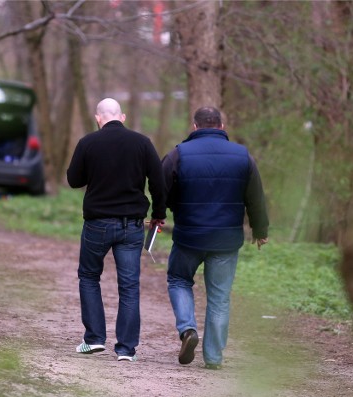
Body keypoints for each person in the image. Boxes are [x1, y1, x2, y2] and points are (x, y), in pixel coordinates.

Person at [162, 106, 269, 370]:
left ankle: (188, 330)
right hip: (226, 239)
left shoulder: (178, 154)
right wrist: (260, 230)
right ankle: (213, 358)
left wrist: (163, 212)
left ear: (194, 127)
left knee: (178, 279)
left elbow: (161, 187)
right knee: (219, 297)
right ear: (222, 126)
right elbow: (255, 196)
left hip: (189, 235)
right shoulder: (243, 156)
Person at [67, 98, 167, 362]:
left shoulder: (88, 143)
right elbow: (158, 182)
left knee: (89, 277)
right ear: (121, 116)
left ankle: (94, 339)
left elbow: (73, 179)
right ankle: (126, 349)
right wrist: (158, 214)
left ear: (98, 118)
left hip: (97, 224)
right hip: (131, 226)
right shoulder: (142, 143)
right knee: (129, 286)